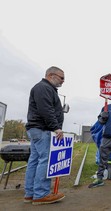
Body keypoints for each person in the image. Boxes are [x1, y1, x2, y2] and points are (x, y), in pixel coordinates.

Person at [24, 66, 66, 205]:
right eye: (61, 78)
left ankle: (30, 193)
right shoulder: (44, 88)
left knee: (35, 161)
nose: (63, 81)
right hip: (42, 129)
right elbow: (46, 109)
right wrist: (56, 127)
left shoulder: (44, 88)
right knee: (45, 160)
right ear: (51, 75)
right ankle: (41, 194)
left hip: (36, 129)